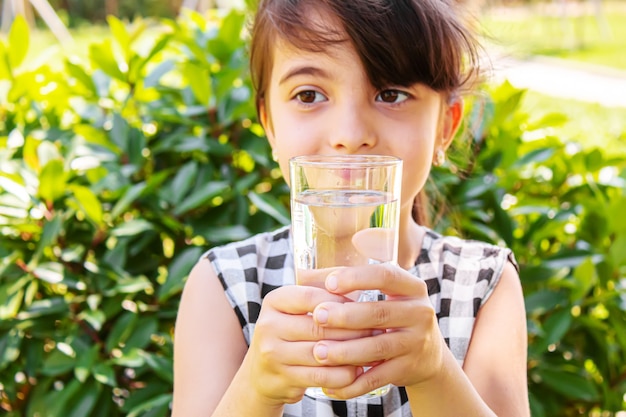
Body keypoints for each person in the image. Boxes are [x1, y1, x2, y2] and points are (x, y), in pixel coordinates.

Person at [172, 0, 530, 416]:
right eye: (309, 95)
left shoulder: (482, 285)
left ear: (445, 127)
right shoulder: (226, 285)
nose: (350, 134)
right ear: (270, 124)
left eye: (391, 93)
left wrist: (433, 372)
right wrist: (257, 389)